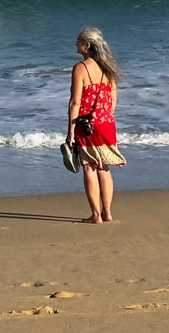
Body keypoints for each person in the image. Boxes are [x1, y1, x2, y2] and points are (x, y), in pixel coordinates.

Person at [65, 26, 126, 224]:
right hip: (107, 123)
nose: (76, 44)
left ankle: (96, 215)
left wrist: (70, 131)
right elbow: (113, 98)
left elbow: (75, 102)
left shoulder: (81, 68)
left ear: (87, 45)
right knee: (103, 167)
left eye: (78, 41)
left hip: (87, 125)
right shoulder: (108, 67)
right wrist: (106, 116)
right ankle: (107, 212)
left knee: (89, 167)